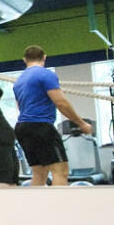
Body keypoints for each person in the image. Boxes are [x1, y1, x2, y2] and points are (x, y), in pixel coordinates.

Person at [13, 45, 93, 186]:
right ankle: (59, 207)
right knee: (60, 170)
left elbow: (20, 107)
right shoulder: (46, 74)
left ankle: (37, 206)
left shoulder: (18, 81)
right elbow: (61, 103)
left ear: (25, 60)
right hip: (40, 126)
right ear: (44, 57)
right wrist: (81, 124)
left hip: (22, 128)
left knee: (39, 172)